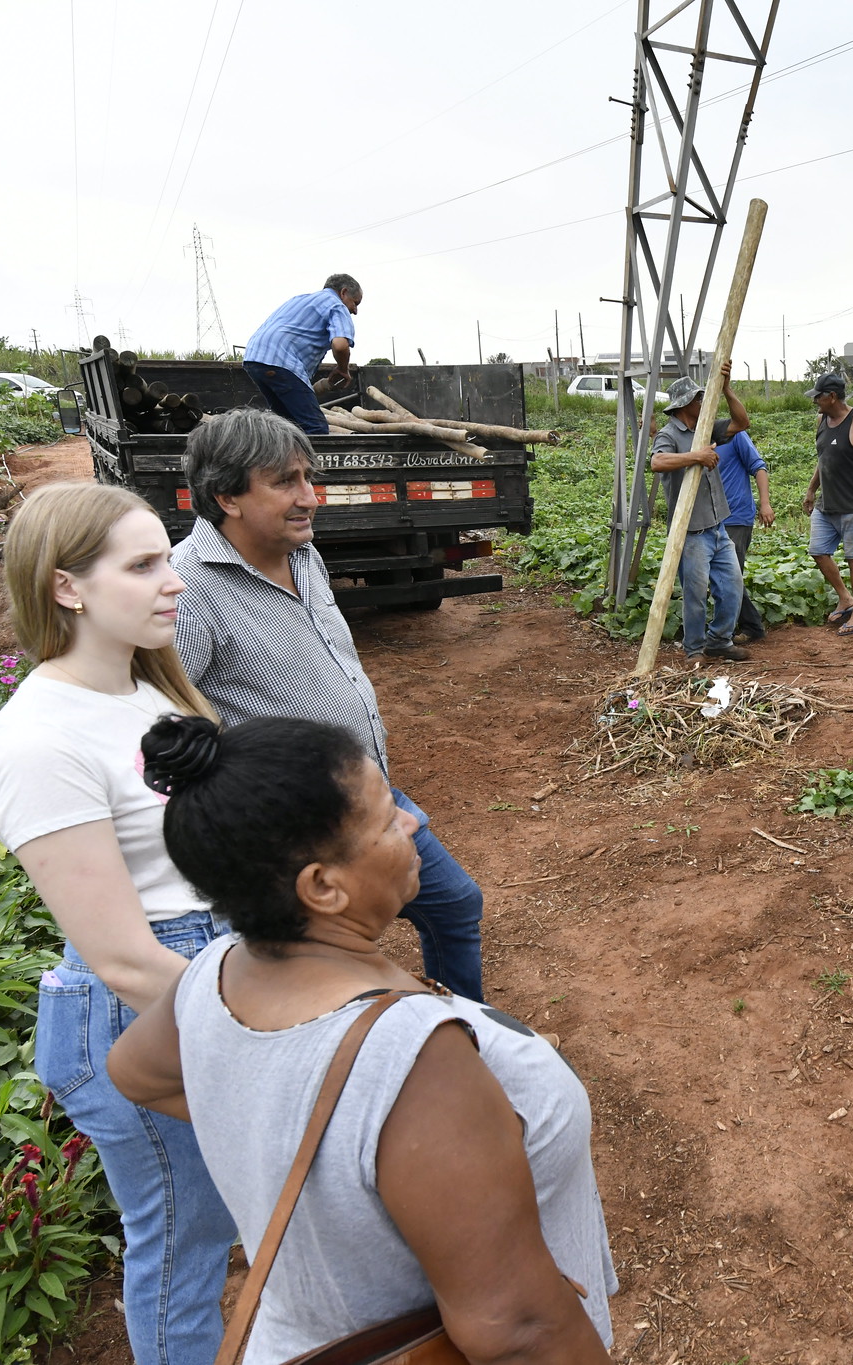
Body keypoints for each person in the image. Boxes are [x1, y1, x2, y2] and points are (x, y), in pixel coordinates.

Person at [107, 715, 615, 1364]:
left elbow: (134, 1070)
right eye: (386, 819)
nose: (412, 824)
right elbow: (518, 1329)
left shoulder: (216, 975)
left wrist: (271, 1124)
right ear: (322, 885)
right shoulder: (414, 1058)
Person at [0, 482, 236, 1365]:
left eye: (167, 557)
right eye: (143, 564)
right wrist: (273, 1013)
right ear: (66, 587)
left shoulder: (145, 692)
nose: (175, 582)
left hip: (201, 972)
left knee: (216, 1218)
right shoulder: (39, 740)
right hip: (144, 1004)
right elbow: (124, 956)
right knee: (183, 1240)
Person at [171, 407, 488, 1001]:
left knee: (453, 903)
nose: (309, 498)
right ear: (227, 498)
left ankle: (465, 1030)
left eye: (307, 478)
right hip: (294, 829)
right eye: (285, 482)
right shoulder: (187, 589)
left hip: (367, 792)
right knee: (319, 968)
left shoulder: (303, 554)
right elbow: (169, 727)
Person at [650, 363, 751, 663]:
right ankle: (694, 649)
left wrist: (727, 389)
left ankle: (720, 640)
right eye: (698, 399)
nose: (704, 403)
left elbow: (742, 422)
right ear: (683, 405)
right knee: (695, 596)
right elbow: (657, 463)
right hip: (691, 533)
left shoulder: (706, 427)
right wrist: (697, 455)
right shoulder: (669, 434)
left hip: (718, 526)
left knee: (733, 586)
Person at [801, 371, 853, 636]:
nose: (815, 401)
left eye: (818, 396)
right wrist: (811, 490)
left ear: (832, 396)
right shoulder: (821, 420)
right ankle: (845, 598)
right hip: (827, 505)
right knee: (817, 551)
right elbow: (823, 458)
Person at [242, 273, 361, 436]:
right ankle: (313, 462)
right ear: (343, 292)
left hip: (254, 358)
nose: (355, 311)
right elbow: (340, 345)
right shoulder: (336, 306)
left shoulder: (300, 299)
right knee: (316, 428)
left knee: (287, 427)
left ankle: (283, 460)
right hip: (281, 361)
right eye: (355, 303)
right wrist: (343, 370)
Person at [714, 424, 776, 643]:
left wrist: (765, 504)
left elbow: (759, 467)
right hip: (711, 518)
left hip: (736, 517)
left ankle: (744, 628)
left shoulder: (733, 434)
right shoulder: (697, 437)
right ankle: (748, 625)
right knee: (725, 575)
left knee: (729, 575)